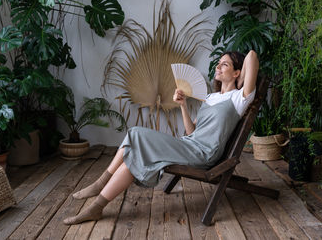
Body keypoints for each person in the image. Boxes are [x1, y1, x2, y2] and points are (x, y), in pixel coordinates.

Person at [63, 50, 259, 225]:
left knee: (136, 133)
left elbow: (251, 56)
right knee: (133, 157)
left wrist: (242, 82)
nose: (218, 66)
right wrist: (183, 105)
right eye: (218, 62)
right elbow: (191, 133)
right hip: (189, 144)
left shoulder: (239, 98)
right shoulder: (210, 98)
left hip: (204, 153)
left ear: (237, 73)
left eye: (225, 64)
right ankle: (96, 208)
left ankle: (100, 184)